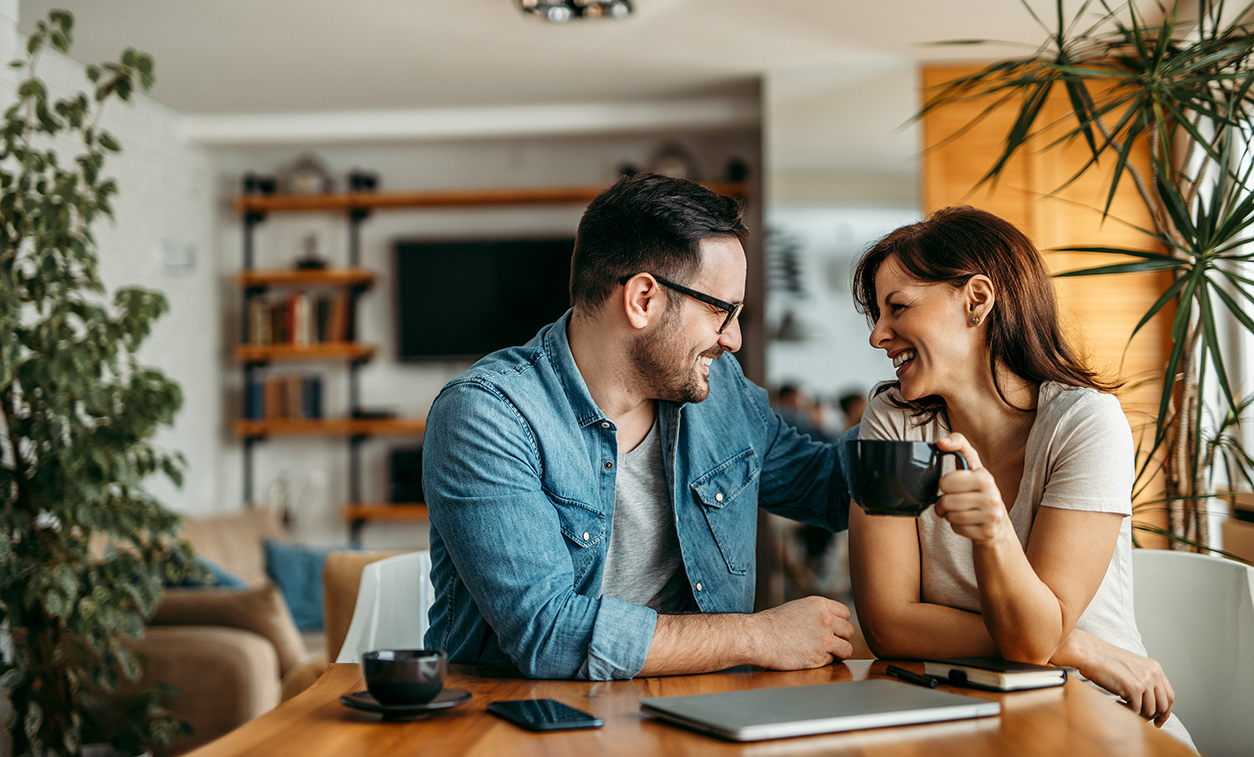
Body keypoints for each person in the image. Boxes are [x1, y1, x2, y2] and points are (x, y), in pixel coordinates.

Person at [423, 174, 856, 680]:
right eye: (721, 310)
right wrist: (759, 635)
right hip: (521, 718)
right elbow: (548, 634)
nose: (733, 339)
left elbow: (830, 490)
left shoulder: (722, 393)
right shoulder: (487, 415)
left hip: (703, 708)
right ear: (643, 299)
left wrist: (934, 390)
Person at [847, 206, 1193, 746]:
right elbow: (889, 626)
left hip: (1095, 711)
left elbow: (1033, 643)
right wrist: (1078, 644)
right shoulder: (893, 422)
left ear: (977, 300)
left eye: (898, 308)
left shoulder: (1084, 423)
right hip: (959, 705)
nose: (878, 336)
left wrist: (992, 532)